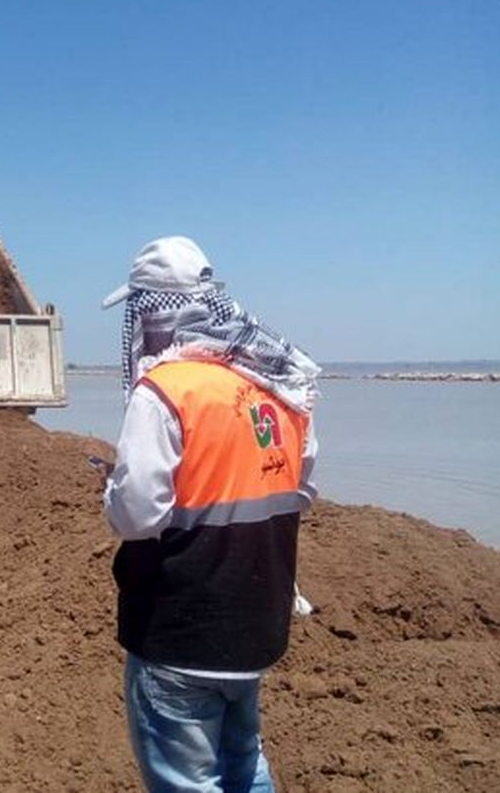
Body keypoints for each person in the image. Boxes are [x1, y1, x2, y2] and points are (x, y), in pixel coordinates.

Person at [99, 236, 321, 792]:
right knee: (244, 762)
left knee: (188, 781)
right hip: (256, 627)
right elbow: (297, 482)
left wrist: (111, 492)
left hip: (183, 630)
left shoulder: (166, 392)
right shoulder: (278, 386)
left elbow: (137, 516)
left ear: (148, 312)